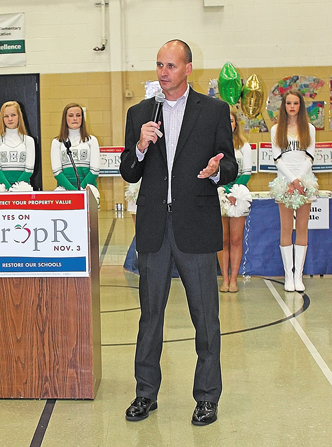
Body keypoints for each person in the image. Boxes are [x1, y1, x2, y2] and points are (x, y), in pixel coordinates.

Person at [119, 40, 237, 426]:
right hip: (153, 230)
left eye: (170, 65)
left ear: (188, 68)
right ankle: (145, 393)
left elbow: (230, 164)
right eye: (159, 65)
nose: (163, 72)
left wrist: (217, 171)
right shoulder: (140, 112)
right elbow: (128, 171)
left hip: (196, 229)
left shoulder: (215, 111)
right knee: (149, 316)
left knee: (205, 318)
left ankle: (206, 397)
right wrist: (139, 146)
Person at [269, 90, 318, 292]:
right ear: (284, 105)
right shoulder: (276, 129)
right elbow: (277, 158)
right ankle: (288, 276)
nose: (291, 107)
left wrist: (300, 180)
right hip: (285, 182)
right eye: (288, 103)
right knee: (286, 228)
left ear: (300, 106)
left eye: (295, 103)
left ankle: (299, 276)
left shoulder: (310, 128)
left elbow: (310, 156)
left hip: (304, 181)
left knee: (303, 228)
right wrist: (291, 180)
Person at [217, 111, 252, 293]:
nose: (228, 123)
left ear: (236, 123)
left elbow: (246, 173)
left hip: (238, 196)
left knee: (236, 239)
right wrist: (223, 191)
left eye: (230, 120)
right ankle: (224, 279)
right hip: (219, 195)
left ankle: (234, 280)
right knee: (222, 240)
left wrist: (233, 191)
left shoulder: (244, 145)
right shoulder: (213, 144)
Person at [50, 103, 100, 201]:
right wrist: (73, 191)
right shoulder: (57, 142)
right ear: (65, 118)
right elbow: (57, 172)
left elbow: (94, 170)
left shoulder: (91, 140)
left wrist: (80, 190)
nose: (75, 119)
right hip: (64, 189)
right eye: (71, 116)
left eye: (78, 115)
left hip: (87, 188)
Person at [0, 101, 35, 191]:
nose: (10, 119)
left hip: (23, 188)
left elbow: (29, 169)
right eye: (6, 116)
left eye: (13, 115)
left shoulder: (29, 141)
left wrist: (16, 189)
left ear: (19, 117)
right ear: (2, 118)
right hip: (1, 188)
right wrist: (9, 188)